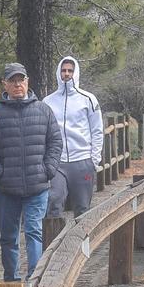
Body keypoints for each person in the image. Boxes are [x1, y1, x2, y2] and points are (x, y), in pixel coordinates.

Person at [0, 62, 62, 285]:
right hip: (7, 187)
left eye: (21, 80)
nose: (17, 85)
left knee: (34, 231)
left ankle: (34, 278)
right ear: (4, 84)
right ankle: (11, 280)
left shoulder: (43, 110)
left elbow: (55, 141)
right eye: (13, 81)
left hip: (37, 185)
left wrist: (48, 169)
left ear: (27, 82)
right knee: (8, 235)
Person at [44, 56, 103, 218]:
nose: (67, 74)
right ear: (58, 73)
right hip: (57, 162)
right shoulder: (48, 101)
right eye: (63, 70)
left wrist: (94, 160)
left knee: (82, 209)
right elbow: (44, 133)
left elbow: (97, 130)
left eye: (70, 70)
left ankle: (81, 244)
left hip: (82, 161)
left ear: (75, 73)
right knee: (53, 202)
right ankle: (53, 243)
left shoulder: (89, 99)